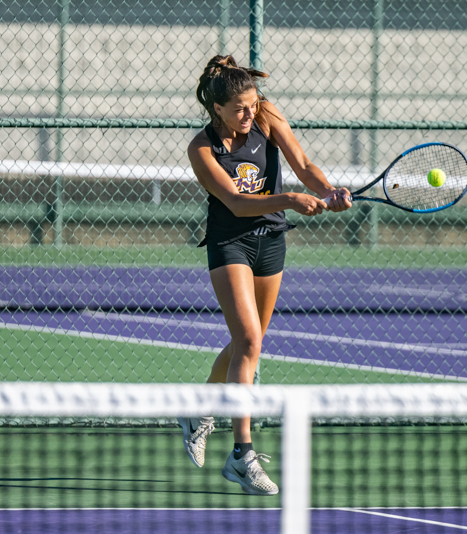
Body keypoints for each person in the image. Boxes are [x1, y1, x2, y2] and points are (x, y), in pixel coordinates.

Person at [178, 55, 351, 496]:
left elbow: (303, 162)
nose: (249, 113)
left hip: (271, 241)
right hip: (230, 244)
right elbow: (236, 203)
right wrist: (290, 199)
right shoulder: (202, 149)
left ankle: (199, 407)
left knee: (245, 343)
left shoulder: (267, 115)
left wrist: (327, 190)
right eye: (240, 108)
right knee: (251, 341)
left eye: (253, 105)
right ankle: (242, 454)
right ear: (217, 108)